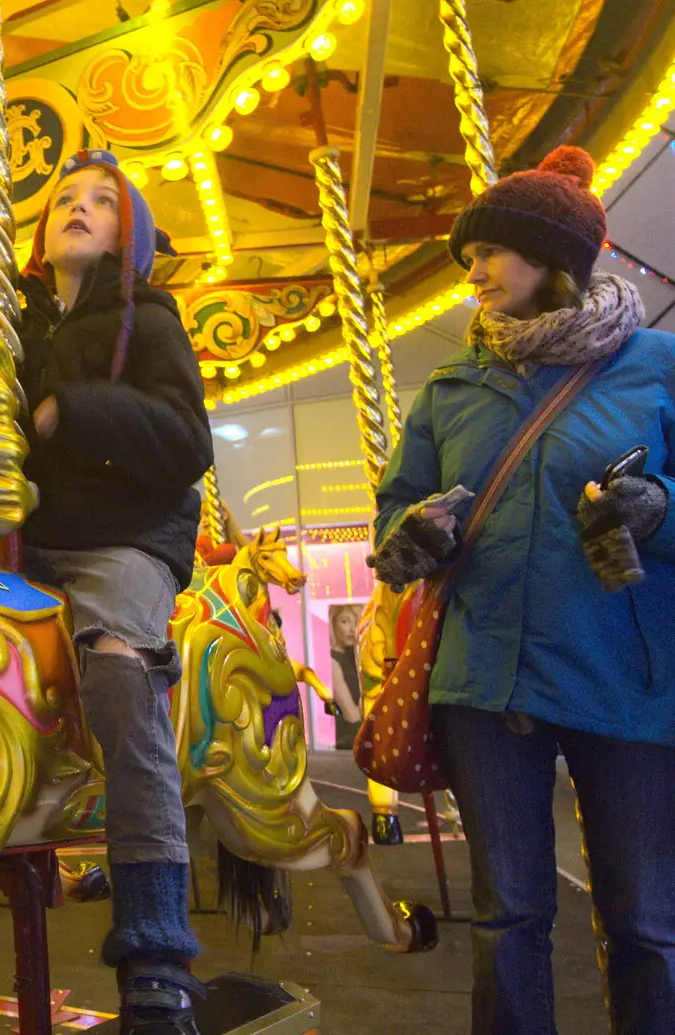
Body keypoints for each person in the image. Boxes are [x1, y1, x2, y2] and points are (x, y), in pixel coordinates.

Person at [369, 146, 675, 1034]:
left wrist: (655, 507)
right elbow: (393, 512)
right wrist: (412, 536)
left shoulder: (657, 368)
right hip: (483, 679)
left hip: (627, 678)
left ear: (556, 262)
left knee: (648, 922)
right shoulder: (452, 385)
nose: (473, 270)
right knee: (508, 916)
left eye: (492, 250)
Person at [17, 149, 214, 1035]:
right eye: (65, 198)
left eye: (104, 202)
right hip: (24, 538)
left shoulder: (152, 318)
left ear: (129, 240)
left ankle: (156, 944)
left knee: (117, 673)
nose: (79, 208)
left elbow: (185, 440)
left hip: (122, 538)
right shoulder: (9, 321)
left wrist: (74, 412)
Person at [328, 604, 364, 748]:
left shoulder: (355, 656)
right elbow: (352, 717)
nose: (352, 629)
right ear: (333, 623)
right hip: (349, 740)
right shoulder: (332, 662)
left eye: (356, 622)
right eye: (345, 621)